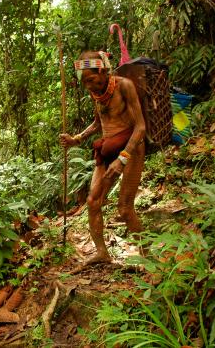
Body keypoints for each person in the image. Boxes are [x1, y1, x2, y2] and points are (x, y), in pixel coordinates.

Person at [59, 50, 146, 269]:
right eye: (85, 82)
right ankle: (102, 253)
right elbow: (99, 124)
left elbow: (140, 127)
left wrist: (123, 159)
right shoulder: (96, 93)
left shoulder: (124, 86)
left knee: (125, 208)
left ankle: (149, 258)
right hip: (108, 150)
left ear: (102, 70)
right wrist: (76, 139)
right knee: (92, 202)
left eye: (91, 80)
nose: (89, 86)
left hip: (131, 148)